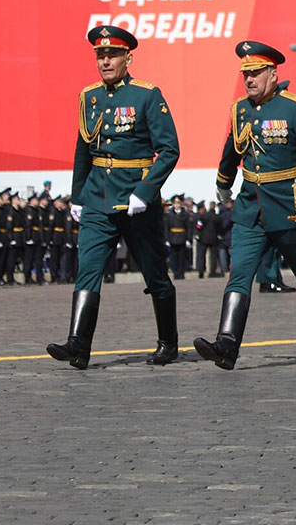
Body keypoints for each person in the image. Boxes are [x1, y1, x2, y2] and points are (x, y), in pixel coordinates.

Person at [46, 24, 181, 371]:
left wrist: (145, 191)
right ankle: (78, 344)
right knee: (87, 270)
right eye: (100, 56)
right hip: (96, 197)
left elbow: (169, 150)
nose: (105, 61)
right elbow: (82, 150)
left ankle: (168, 342)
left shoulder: (147, 95)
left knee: (154, 273)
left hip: (136, 200)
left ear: (128, 57)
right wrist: (77, 195)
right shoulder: (88, 97)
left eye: (112, 55)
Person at [194, 41, 296, 369]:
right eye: (246, 74)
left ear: (273, 73)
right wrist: (223, 182)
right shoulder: (240, 109)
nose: (250, 79)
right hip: (249, 208)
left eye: (256, 72)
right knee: (239, 274)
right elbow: (233, 147)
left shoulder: (295, 108)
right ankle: (226, 344)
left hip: (289, 206)